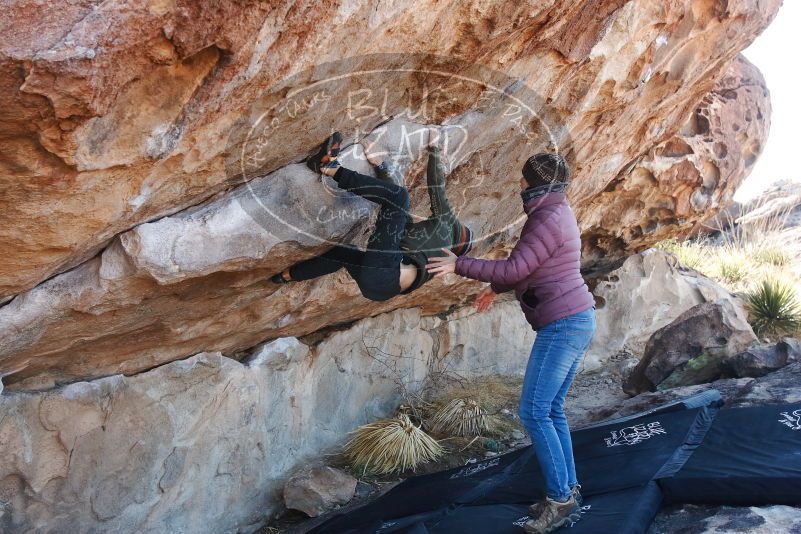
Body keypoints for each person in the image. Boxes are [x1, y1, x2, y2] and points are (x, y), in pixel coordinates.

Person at [426, 153, 596, 534]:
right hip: (576, 318)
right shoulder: (555, 213)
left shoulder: (546, 218)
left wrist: (460, 264)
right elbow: (532, 267)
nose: (519, 185)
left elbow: (516, 268)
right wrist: (494, 288)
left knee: (535, 411)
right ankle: (567, 490)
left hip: (564, 324)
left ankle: (561, 500)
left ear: (535, 184)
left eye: (523, 180)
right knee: (551, 409)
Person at [271, 129, 474, 301]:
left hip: (387, 272)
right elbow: (397, 221)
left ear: (460, 233)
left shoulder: (448, 231)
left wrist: (435, 148)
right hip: (379, 290)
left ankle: (330, 167)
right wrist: (380, 167)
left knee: (400, 197)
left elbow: (436, 189)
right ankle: (287, 276)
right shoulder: (428, 255)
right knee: (343, 254)